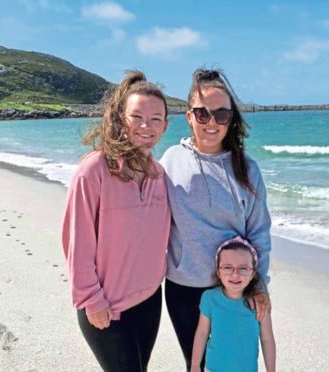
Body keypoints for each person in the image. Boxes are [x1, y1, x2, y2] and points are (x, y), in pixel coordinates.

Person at [160, 68, 272, 370]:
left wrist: (259, 284)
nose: (212, 122)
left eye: (221, 115)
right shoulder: (170, 160)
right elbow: (148, 217)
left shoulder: (246, 168)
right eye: (203, 114)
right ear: (188, 116)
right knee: (195, 365)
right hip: (183, 287)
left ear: (231, 119)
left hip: (234, 288)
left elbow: (259, 231)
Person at [62, 70, 170, 371]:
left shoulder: (160, 175)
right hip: (106, 305)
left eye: (155, 119)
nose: (146, 126)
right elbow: (77, 242)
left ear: (165, 126)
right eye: (137, 116)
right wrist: (90, 298)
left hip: (149, 299)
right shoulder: (93, 169)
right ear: (121, 119)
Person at [191, 236, 276, 372]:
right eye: (227, 268)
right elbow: (202, 333)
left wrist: (271, 370)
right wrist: (195, 366)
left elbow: (267, 339)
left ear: (252, 273)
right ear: (219, 272)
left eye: (243, 268)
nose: (235, 274)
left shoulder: (259, 303)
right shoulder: (209, 298)